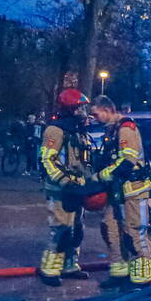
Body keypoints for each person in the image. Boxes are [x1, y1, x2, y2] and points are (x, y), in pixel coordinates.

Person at [90, 95, 151, 288]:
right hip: (117, 190)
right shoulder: (112, 129)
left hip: (134, 190)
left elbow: (128, 161)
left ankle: (142, 278)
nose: (94, 118)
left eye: (95, 114)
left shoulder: (126, 128)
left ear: (107, 110)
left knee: (135, 232)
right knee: (110, 228)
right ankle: (120, 271)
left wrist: (101, 176)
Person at [37, 90, 94, 286]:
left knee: (76, 229)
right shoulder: (55, 130)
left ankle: (70, 266)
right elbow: (46, 159)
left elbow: (83, 161)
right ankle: (50, 270)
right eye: (79, 107)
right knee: (60, 230)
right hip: (60, 189)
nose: (83, 111)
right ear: (70, 109)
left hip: (77, 189)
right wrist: (63, 181)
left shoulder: (78, 131)